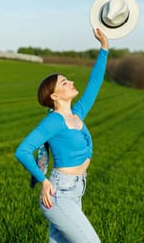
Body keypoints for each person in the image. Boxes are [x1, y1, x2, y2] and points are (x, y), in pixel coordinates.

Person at [15, 28, 109, 243]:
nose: (71, 83)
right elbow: (23, 151)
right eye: (64, 83)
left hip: (76, 189)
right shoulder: (53, 121)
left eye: (68, 80)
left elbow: (94, 84)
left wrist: (103, 48)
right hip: (60, 193)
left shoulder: (77, 113)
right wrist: (44, 182)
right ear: (55, 96)